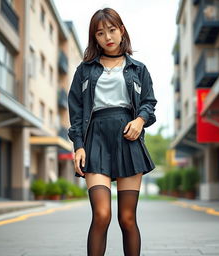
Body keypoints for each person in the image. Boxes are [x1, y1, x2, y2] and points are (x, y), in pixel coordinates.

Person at [67, 7, 157, 256]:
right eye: (100, 33)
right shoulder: (84, 70)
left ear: (121, 30)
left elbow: (149, 102)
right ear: (94, 38)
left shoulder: (138, 69)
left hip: (128, 139)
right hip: (95, 138)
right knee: (101, 215)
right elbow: (75, 111)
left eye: (111, 29)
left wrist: (140, 120)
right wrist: (78, 146)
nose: (107, 36)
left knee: (127, 219)